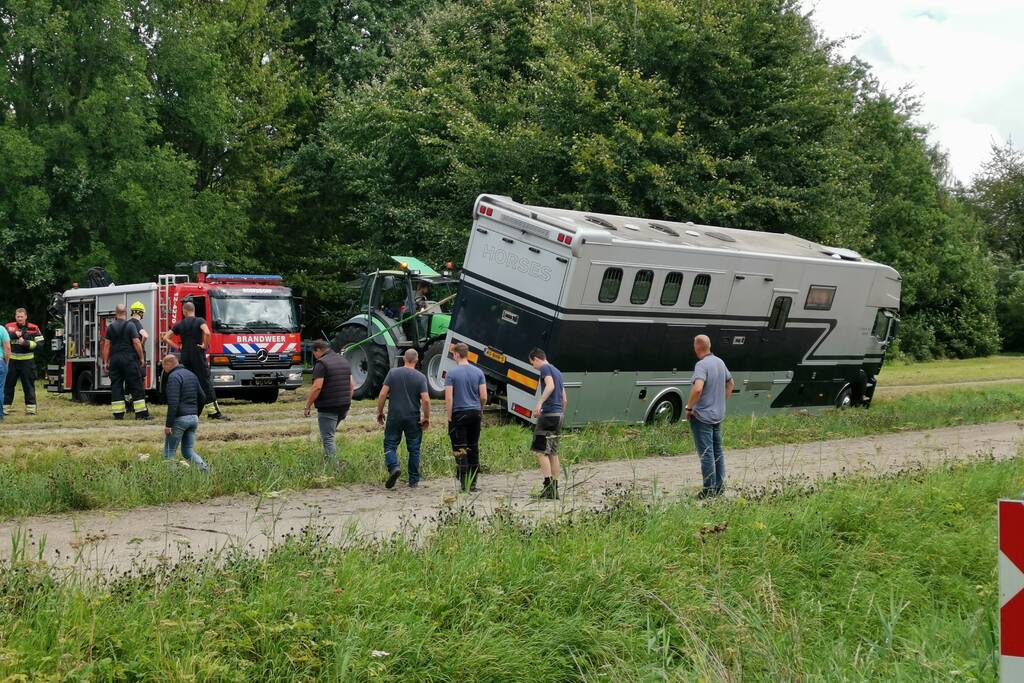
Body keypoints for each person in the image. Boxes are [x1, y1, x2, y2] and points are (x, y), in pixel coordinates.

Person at [685, 334, 735, 499]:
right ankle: (719, 488)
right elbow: (731, 383)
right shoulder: (720, 362)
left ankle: (708, 490)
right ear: (709, 346)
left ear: (696, 347)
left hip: (702, 416)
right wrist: (721, 401)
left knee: (706, 453)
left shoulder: (701, 365)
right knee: (717, 452)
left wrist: (689, 407)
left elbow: (698, 388)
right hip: (717, 415)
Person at [161, 301, 226, 419]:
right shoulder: (200, 321)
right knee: (205, 383)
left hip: (185, 356)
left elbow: (165, 337)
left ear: (184, 312)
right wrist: (205, 345)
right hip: (197, 355)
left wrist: (178, 347)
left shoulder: (180, 324)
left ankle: (189, 410)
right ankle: (214, 413)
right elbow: (207, 332)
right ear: (193, 310)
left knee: (189, 383)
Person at [377, 349, 430, 489]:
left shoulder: (392, 373)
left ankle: (394, 467)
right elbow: (425, 400)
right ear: (417, 360)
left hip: (394, 416)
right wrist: (426, 417)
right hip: (413, 417)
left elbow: (382, 394)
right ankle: (413, 480)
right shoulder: (420, 377)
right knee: (414, 449)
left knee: (390, 444)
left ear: (404, 359)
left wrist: (380, 412)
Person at [445, 343, 486, 491]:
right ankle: (473, 483)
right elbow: (483, 396)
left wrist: (449, 415)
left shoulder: (451, 374)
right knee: (473, 447)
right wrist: (480, 409)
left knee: (460, 447)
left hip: (459, 413)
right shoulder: (479, 372)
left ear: (457, 354)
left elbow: (449, 397)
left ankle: (464, 483)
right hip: (475, 412)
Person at [305, 340, 355, 463]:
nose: (315, 356)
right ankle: (327, 461)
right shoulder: (343, 361)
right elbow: (352, 385)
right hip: (344, 406)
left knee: (327, 438)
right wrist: (347, 401)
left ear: (317, 350)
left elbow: (317, 387)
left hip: (328, 407)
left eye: (314, 353)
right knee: (329, 434)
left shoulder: (321, 364)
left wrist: (308, 405)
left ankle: (334, 467)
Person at [100, 304, 152, 420]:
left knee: (116, 386)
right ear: (126, 313)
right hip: (129, 360)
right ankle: (141, 414)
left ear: (115, 313)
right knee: (136, 385)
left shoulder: (110, 327)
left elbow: (106, 345)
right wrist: (141, 358)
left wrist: (105, 361)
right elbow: (136, 342)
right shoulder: (130, 325)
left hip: (115, 360)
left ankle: (118, 414)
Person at [529, 348, 567, 500]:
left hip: (548, 414)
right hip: (558, 415)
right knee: (553, 453)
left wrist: (540, 403)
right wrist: (559, 412)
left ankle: (547, 487)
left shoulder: (545, 368)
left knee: (540, 451)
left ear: (536, 358)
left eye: (532, 363)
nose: (534, 367)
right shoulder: (558, 372)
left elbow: (550, 386)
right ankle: (555, 489)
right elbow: (564, 399)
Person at [161, 354, 209, 472]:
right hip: (193, 419)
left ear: (168, 364)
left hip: (180, 419)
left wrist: (168, 425)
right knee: (188, 451)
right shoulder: (191, 374)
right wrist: (195, 414)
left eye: (163, 367)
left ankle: (172, 478)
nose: (164, 370)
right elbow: (202, 397)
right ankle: (206, 471)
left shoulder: (173, 377)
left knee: (169, 452)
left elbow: (173, 403)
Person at [4, 308, 44, 416]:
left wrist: (26, 343)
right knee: (8, 386)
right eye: (18, 316)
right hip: (12, 362)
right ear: (15, 317)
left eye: (21, 316)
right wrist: (14, 335)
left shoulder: (34, 328)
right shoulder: (9, 326)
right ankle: (4, 409)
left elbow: (40, 344)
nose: (20, 318)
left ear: (26, 316)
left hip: (27, 362)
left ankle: (31, 410)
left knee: (28, 386)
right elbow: (2, 338)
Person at [125, 301, 150, 414]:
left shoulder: (127, 323)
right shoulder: (136, 323)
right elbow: (145, 335)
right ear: (141, 313)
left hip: (127, 357)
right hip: (136, 358)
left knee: (128, 383)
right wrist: (141, 344)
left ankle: (128, 405)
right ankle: (139, 406)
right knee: (139, 382)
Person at [0, 324, 10, 422]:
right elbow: (7, 348)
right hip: (0, 362)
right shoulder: (2, 329)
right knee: (0, 388)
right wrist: (6, 362)